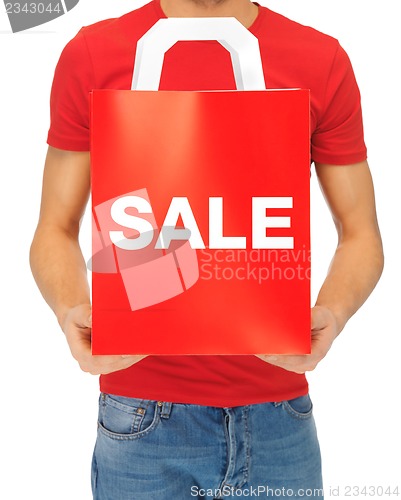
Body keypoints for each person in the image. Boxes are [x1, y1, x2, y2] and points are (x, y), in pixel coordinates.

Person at [30, 0, 384, 498]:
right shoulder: (94, 54)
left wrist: (334, 312)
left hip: (279, 415)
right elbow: (54, 227)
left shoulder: (318, 59)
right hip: (138, 415)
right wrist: (71, 310)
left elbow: (361, 232)